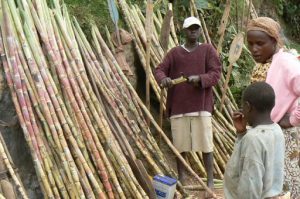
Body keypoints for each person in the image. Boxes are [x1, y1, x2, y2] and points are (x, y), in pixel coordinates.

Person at [154, 16, 221, 191]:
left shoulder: (207, 50)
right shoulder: (174, 53)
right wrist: (164, 79)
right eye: (190, 28)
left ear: (200, 30)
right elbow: (159, 69)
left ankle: (210, 181)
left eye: (196, 28)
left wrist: (199, 78)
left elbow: (215, 73)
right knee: (180, 143)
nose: (193, 31)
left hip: (201, 105)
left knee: (206, 143)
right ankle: (182, 177)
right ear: (184, 31)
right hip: (179, 106)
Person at [247, 17, 300, 198]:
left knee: (284, 186)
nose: (254, 49)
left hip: (284, 136)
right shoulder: (267, 64)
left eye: (260, 43)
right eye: (251, 44)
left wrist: (294, 118)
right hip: (269, 133)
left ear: (274, 41)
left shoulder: (286, 62)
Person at [224, 82, 285, 199]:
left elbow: (250, 183)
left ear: (248, 106)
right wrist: (241, 133)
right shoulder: (276, 130)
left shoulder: (253, 139)